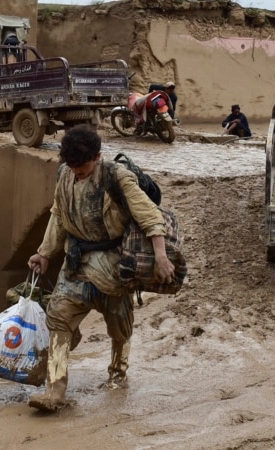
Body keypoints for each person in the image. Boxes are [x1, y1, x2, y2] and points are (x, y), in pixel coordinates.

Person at [27, 125, 175, 412]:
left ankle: (118, 374)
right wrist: (44, 253)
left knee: (120, 327)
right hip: (76, 265)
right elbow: (58, 216)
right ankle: (54, 391)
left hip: (114, 269)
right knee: (57, 317)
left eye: (82, 167)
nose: (77, 172)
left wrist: (161, 256)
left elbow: (150, 216)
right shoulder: (65, 175)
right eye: (72, 167)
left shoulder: (117, 177)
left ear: (97, 156)